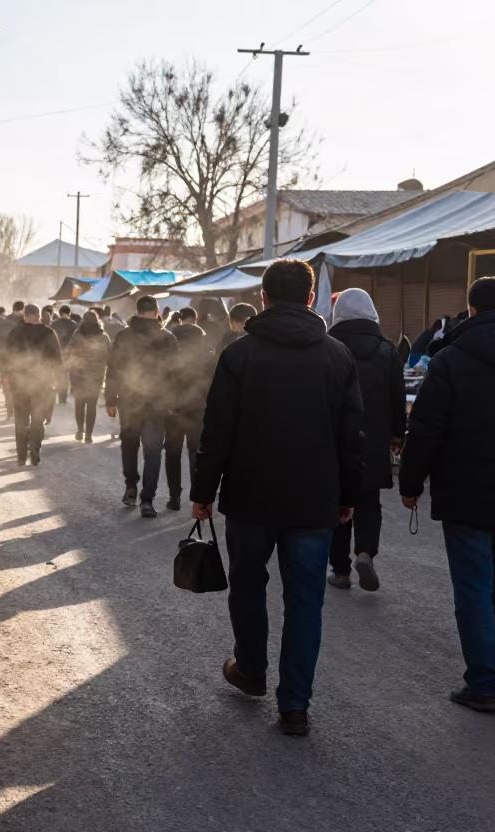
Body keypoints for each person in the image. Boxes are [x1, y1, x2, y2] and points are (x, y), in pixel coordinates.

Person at [191, 258, 363, 737]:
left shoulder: (239, 354)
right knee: (306, 600)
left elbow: (217, 430)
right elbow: (353, 437)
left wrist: (203, 491)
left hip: (249, 496)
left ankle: (250, 670)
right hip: (314, 501)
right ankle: (295, 706)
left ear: (263, 298)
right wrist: (348, 495)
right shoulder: (337, 356)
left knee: (248, 584)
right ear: (311, 299)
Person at [399, 276, 495, 714]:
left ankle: (484, 679)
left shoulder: (450, 360)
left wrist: (410, 484)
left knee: (473, 588)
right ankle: (489, 666)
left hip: (466, 492)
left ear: (473, 309)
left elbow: (425, 429)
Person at [325, 289, 406, 592]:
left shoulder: (328, 347)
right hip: (372, 438)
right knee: (369, 501)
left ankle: (340, 571)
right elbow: (397, 400)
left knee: (337, 504)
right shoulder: (387, 350)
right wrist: (398, 435)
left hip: (334, 439)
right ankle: (365, 553)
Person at [104, 294, 177, 518]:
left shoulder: (123, 336)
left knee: (129, 444)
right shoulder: (167, 337)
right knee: (153, 451)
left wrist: (111, 399)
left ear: (136, 311)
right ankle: (148, 500)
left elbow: (113, 369)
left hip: (129, 400)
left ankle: (131, 486)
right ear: (156, 311)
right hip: (157, 402)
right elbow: (175, 374)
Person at [164, 307, 214, 512]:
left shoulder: (169, 356)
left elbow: (162, 381)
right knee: (196, 452)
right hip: (198, 410)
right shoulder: (208, 356)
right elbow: (212, 385)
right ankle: (197, 496)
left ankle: (174, 497)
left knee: (173, 453)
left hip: (173, 410)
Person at [3, 304, 62, 466]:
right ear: (38, 315)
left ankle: (21, 456)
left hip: (19, 381)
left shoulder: (15, 332)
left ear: (25, 316)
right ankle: (35, 449)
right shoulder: (48, 332)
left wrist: (6, 376)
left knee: (21, 419)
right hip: (42, 382)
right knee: (38, 418)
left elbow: (7, 356)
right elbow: (56, 358)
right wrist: (57, 377)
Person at [66, 310, 111, 443]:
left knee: (79, 404)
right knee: (92, 405)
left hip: (78, 375)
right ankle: (89, 435)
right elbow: (108, 357)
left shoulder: (77, 335)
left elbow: (70, 354)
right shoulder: (103, 337)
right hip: (96, 376)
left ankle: (80, 431)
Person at [0, 301, 25, 419]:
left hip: (2, 359)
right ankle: (16, 409)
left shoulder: (2, 323)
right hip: (16, 359)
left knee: (6, 385)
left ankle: (9, 409)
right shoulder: (22, 323)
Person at [50, 304, 79, 405]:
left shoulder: (54, 324)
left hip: (56, 352)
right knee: (66, 375)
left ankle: (55, 393)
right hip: (69, 353)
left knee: (56, 373)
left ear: (60, 313)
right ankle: (63, 397)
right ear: (69, 313)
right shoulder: (74, 324)